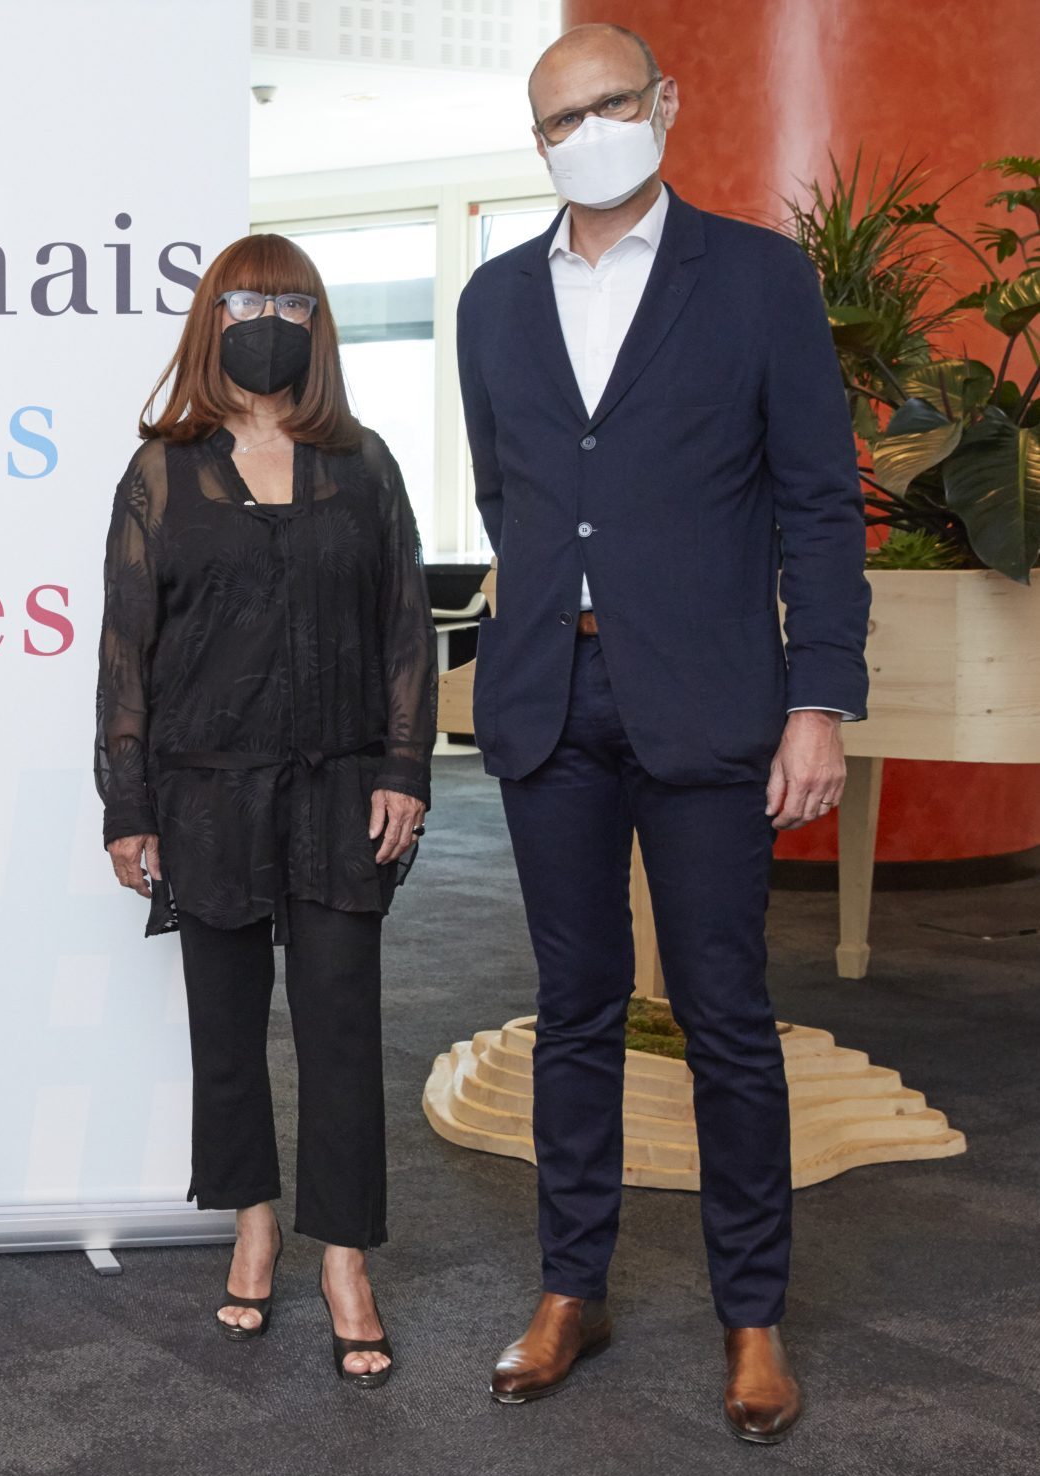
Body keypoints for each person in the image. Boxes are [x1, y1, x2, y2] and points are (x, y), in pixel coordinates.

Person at [457, 24, 869, 1444]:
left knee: (725, 1018)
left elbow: (819, 502)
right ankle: (575, 1288)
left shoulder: (757, 280)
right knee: (572, 1011)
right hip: (546, 702)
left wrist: (818, 699)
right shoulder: (495, 300)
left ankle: (751, 1317)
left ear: (665, 105)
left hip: (707, 705)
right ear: (541, 144)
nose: (588, 133)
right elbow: (513, 495)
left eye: (610, 105)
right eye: (558, 121)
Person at [97, 233, 436, 1386]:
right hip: (205, 794)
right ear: (211, 317)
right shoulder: (161, 471)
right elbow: (127, 650)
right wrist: (126, 802)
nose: (270, 317)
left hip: (344, 788)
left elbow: (404, 630)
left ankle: (346, 1256)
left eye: (293, 300)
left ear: (319, 321)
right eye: (247, 298)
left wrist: (406, 770)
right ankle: (252, 1219)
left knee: (343, 1029)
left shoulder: (366, 463)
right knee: (225, 1029)